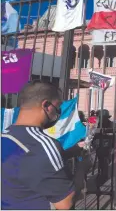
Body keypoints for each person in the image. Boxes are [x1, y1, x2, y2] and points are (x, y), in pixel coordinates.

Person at [1, 81, 74, 210]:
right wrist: (82, 168)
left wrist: (69, 152)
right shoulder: (42, 144)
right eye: (58, 107)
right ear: (46, 105)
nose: (58, 113)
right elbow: (65, 204)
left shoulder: (5, 136)